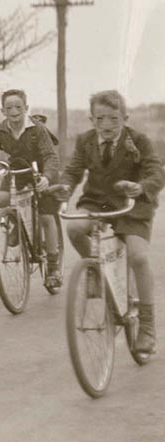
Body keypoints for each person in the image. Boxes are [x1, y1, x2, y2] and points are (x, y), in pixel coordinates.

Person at [54, 90, 165, 354]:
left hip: (132, 206)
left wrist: (139, 187)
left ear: (124, 119)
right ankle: (97, 270)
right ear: (91, 119)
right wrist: (66, 187)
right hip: (97, 201)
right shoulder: (85, 141)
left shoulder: (139, 141)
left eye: (113, 119)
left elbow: (156, 174)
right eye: (100, 119)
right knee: (75, 228)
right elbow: (73, 170)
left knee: (138, 258)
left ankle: (147, 327)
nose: (106, 126)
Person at [0, 89, 62, 286]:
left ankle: (53, 268)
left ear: (26, 108)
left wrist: (47, 177)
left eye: (18, 107)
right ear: (3, 111)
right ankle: (17, 223)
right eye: (9, 107)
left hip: (41, 172)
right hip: (17, 170)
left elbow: (51, 157)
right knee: (1, 199)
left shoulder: (37, 129)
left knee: (46, 216)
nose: (14, 111)